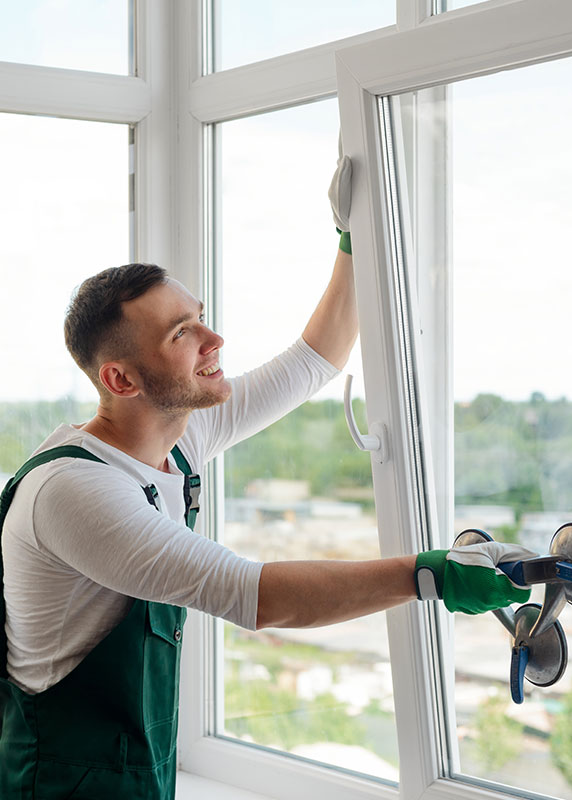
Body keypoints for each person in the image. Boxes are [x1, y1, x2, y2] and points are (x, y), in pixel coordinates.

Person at [0, 153, 535, 799]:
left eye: (200, 314)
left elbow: (315, 361)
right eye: (182, 332)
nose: (214, 338)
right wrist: (430, 573)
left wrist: (353, 240)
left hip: (130, 771)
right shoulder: (78, 491)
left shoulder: (178, 435)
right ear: (122, 379)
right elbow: (258, 595)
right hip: (57, 783)